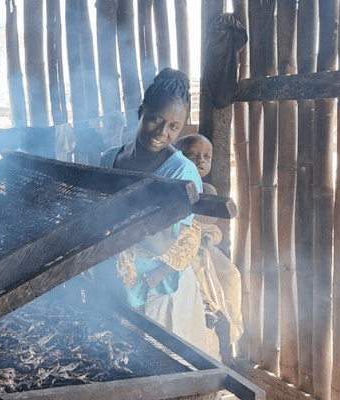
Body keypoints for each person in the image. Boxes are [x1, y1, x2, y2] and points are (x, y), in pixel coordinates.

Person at [99, 68, 208, 352]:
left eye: (174, 127)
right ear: (141, 112)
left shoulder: (182, 172)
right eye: (155, 119)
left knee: (157, 361)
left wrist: (117, 220)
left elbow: (165, 244)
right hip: (116, 277)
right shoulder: (110, 158)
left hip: (157, 286)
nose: (162, 133)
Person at [174, 133, 244, 362]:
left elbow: (208, 223)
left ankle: (227, 323)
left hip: (200, 244)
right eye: (192, 155)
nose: (200, 161)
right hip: (176, 246)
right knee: (197, 274)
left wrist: (199, 236)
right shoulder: (173, 185)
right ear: (176, 155)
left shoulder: (208, 189)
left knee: (230, 275)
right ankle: (206, 306)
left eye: (206, 157)